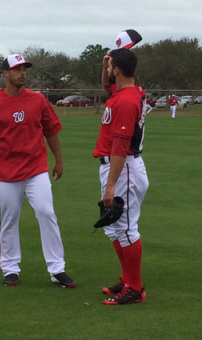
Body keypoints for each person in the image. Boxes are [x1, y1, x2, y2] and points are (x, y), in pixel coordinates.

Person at [0, 54, 75, 288]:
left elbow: (51, 130)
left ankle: (57, 268)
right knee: (9, 220)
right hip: (6, 174)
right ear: (5, 73)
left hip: (36, 170)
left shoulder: (37, 100)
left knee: (47, 213)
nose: (22, 73)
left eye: (24, 69)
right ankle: (10, 268)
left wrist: (59, 160)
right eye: (17, 69)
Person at [93, 48, 149, 305]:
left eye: (111, 66)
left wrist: (111, 185)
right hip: (121, 166)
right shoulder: (127, 93)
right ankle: (128, 280)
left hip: (123, 166)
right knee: (115, 228)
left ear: (117, 69)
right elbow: (109, 87)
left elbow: (120, 145)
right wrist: (107, 66)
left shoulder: (126, 101)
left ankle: (135, 288)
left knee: (126, 228)